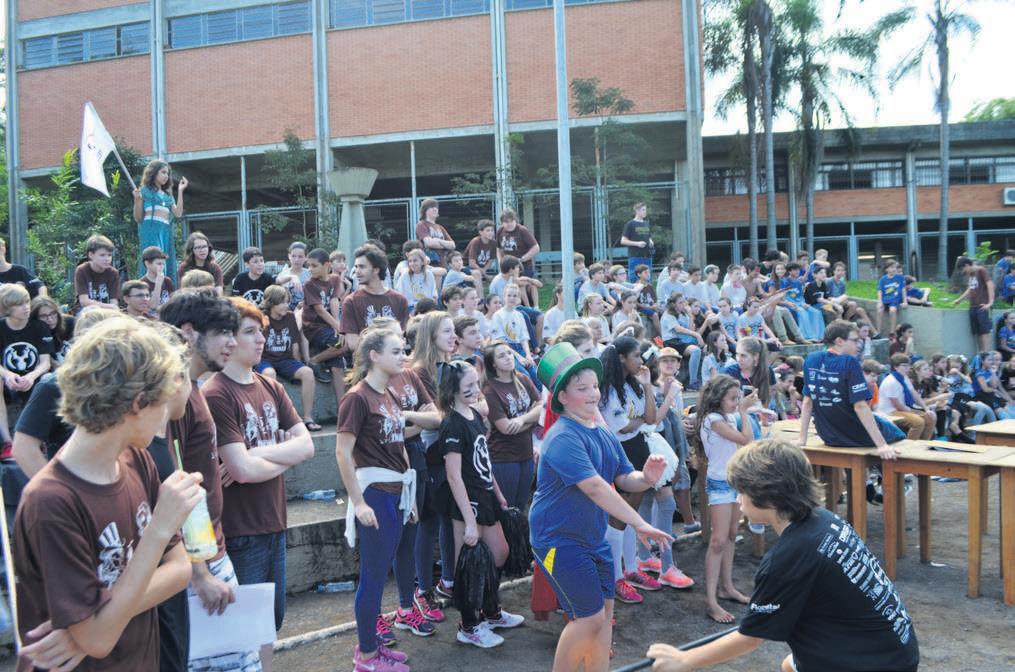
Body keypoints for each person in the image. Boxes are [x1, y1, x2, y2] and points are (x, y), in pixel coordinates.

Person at [12, 317, 202, 671]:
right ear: (138, 403)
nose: (166, 414)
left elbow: (179, 570)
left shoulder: (136, 459)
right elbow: (98, 641)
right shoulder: (51, 502)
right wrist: (159, 529)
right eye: (162, 402)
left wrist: (101, 621)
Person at [647, 439, 920, 672]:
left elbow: (750, 638)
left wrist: (685, 660)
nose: (738, 499)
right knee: (790, 665)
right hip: (895, 648)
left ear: (767, 497)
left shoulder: (788, 557)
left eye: (741, 492)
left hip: (873, 662)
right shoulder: (824, 519)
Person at [529, 341, 673, 672]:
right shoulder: (563, 437)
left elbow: (623, 477)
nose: (593, 394)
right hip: (557, 541)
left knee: (605, 614)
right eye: (582, 388)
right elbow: (595, 487)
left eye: (594, 386)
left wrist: (646, 478)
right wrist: (639, 522)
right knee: (589, 618)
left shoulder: (602, 432)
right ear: (562, 397)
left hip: (593, 537)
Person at [159, 290, 266, 672]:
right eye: (223, 332)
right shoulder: (174, 398)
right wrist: (200, 571)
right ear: (189, 332)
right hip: (199, 562)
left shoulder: (192, 388)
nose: (233, 342)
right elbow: (176, 487)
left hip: (211, 551)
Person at [202, 298, 314, 655]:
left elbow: (307, 446)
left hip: (274, 519)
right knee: (245, 632)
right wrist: (280, 453)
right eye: (250, 332)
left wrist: (256, 454)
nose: (261, 339)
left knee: (269, 625)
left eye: (261, 331)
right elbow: (242, 471)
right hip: (241, 528)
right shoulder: (216, 393)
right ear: (228, 340)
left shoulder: (271, 386)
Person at [335, 326, 417, 671]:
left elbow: (399, 443)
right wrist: (358, 503)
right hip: (375, 494)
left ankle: (372, 644)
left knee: (382, 574)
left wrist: (410, 498)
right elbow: (342, 453)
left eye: (403, 350)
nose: (403, 356)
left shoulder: (390, 393)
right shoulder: (357, 397)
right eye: (396, 351)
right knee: (372, 577)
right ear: (374, 355)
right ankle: (366, 657)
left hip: (396, 492)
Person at [436, 360, 524, 648]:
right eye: (469, 386)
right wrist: (469, 520)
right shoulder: (452, 423)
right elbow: (453, 475)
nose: (476, 389)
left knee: (499, 553)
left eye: (476, 383)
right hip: (467, 502)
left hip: (485, 495)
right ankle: (468, 625)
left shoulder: (473, 414)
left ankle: (490, 610)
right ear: (452, 389)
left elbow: (483, 460)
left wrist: (497, 492)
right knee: (469, 565)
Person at [599, 337, 664, 603]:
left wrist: (647, 386)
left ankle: (631, 568)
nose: (641, 360)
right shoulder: (608, 389)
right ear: (622, 358)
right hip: (619, 450)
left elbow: (650, 417)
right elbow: (622, 427)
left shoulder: (633, 384)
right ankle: (615, 577)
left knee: (631, 515)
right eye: (636, 355)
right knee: (618, 516)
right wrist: (638, 422)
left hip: (636, 447)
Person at [693, 375, 755, 624]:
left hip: (733, 481)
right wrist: (744, 411)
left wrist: (741, 411)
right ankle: (711, 600)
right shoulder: (713, 419)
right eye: (732, 398)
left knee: (730, 534)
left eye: (737, 398)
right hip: (719, 484)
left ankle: (726, 587)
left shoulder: (727, 417)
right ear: (718, 398)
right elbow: (746, 439)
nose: (736, 402)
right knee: (718, 540)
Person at [798, 320, 901, 458]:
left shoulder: (811, 359)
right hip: (855, 435)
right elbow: (860, 406)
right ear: (839, 341)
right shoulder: (849, 362)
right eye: (855, 340)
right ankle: (879, 470)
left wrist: (802, 440)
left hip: (828, 436)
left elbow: (807, 402)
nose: (858, 345)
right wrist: (882, 446)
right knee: (898, 432)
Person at [482, 341, 542, 510]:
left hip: (526, 453)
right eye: (502, 356)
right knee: (508, 508)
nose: (508, 357)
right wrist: (532, 418)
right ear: (493, 364)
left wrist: (521, 420)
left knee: (521, 506)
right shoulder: (490, 390)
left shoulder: (522, 379)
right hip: (504, 458)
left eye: (509, 353)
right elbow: (506, 428)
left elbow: (541, 407)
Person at [258, 285, 322, 431]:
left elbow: (294, 345)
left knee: (307, 372)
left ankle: (307, 418)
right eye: (282, 302)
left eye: (287, 302)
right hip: (265, 360)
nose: (286, 305)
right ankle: (275, 420)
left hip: (285, 360)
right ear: (271, 303)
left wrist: (298, 366)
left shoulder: (290, 316)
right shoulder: (262, 318)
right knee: (269, 374)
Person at [0, 284, 53, 456]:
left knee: (46, 381)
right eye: (19, 304)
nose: (26, 307)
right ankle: (7, 442)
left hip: (33, 378)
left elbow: (45, 363)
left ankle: (39, 440)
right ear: (7, 308)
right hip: (8, 380)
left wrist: (31, 376)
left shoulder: (39, 327)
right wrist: (7, 375)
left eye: (27, 302)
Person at [340, 244, 410, 352]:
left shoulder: (400, 300)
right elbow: (353, 343)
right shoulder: (351, 301)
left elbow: (404, 336)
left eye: (362, 267)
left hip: (394, 360)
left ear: (376, 269)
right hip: (366, 360)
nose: (357, 271)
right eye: (356, 267)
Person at [134, 160, 187, 279]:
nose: (166, 176)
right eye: (163, 172)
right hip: (150, 230)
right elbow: (138, 218)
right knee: (154, 260)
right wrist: (137, 200)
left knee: (166, 262)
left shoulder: (168, 196)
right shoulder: (144, 191)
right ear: (154, 173)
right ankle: (150, 286)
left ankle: (165, 287)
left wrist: (180, 190)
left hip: (165, 232)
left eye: (167, 173)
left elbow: (178, 213)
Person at [953, 256, 995, 352]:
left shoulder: (981, 270)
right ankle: (981, 352)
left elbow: (990, 285)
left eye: (963, 269)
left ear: (967, 265)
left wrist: (990, 303)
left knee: (984, 331)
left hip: (982, 306)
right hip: (973, 306)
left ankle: (986, 353)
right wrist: (959, 299)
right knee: (978, 331)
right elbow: (970, 288)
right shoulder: (971, 274)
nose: (964, 271)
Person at [74, 234, 121, 312]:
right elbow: (84, 301)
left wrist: (112, 308)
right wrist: (109, 307)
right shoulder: (82, 270)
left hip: (107, 311)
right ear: (91, 255)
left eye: (109, 255)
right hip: (86, 311)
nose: (107, 259)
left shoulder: (113, 273)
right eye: (102, 255)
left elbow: (114, 301)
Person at [496, 208, 540, 285]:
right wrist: (500, 262)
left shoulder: (522, 230)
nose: (509, 224)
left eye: (511, 221)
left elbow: (536, 248)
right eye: (506, 222)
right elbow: (498, 248)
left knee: (523, 287)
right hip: (507, 267)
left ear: (515, 220)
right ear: (502, 223)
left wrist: (521, 259)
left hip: (523, 267)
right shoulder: (500, 231)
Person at [30, 296, 74, 367]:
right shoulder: (31, 333)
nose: (50, 319)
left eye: (53, 313)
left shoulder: (70, 323)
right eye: (43, 316)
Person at [416, 198, 456, 268]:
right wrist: (445, 245)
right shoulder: (421, 224)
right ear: (425, 210)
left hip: (443, 263)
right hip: (430, 264)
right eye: (431, 207)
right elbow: (429, 243)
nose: (435, 209)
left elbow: (452, 245)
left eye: (436, 207)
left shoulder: (440, 227)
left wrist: (438, 241)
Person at [621, 202, 654, 281]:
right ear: (637, 211)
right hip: (635, 256)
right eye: (643, 210)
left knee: (648, 276)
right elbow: (623, 241)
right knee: (634, 276)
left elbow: (648, 236)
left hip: (647, 255)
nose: (645, 212)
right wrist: (637, 244)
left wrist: (650, 241)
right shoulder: (630, 224)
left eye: (645, 210)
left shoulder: (646, 223)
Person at [275, 241, 310, 309]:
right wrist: (291, 277)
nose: (296, 259)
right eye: (293, 256)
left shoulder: (310, 274)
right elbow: (276, 283)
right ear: (289, 256)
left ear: (306, 257)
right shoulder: (283, 274)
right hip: (286, 311)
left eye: (300, 256)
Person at [139, 246, 175, 313]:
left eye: (163, 264)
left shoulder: (167, 281)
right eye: (159, 264)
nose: (162, 267)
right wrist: (158, 283)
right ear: (147, 264)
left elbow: (174, 302)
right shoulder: (141, 284)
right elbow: (153, 306)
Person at [876, 260, 907, 336]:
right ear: (886, 269)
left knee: (892, 310)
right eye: (892, 267)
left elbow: (903, 290)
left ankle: (892, 332)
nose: (894, 269)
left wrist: (905, 301)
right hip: (885, 299)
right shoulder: (883, 279)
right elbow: (880, 291)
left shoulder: (900, 278)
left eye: (895, 267)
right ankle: (878, 332)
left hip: (895, 300)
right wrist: (880, 302)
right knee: (879, 310)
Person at [465, 219, 498, 288]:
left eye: (492, 230)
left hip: (482, 269)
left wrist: (484, 271)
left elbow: (491, 260)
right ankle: (480, 295)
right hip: (467, 267)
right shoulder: (476, 242)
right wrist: (485, 275)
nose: (491, 233)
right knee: (478, 274)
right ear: (481, 232)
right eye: (488, 230)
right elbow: (471, 263)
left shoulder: (494, 243)